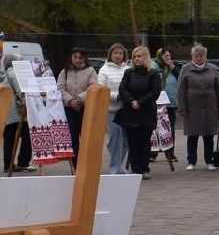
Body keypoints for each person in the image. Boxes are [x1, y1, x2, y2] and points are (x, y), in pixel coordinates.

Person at [115, 46, 163, 179]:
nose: (136, 59)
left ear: (146, 57)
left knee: (144, 142)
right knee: (133, 142)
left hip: (146, 112)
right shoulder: (128, 73)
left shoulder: (153, 74)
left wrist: (140, 102)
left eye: (139, 56)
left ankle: (144, 168)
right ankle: (135, 169)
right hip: (130, 112)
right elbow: (122, 89)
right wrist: (131, 101)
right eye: (134, 57)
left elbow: (155, 92)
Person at [176, 44, 219, 169]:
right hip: (192, 108)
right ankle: (191, 161)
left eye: (201, 56)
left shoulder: (212, 69)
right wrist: (182, 107)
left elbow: (218, 89)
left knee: (209, 136)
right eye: (196, 56)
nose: (199, 58)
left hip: (210, 107)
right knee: (192, 136)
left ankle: (209, 161)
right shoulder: (185, 69)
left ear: (205, 56)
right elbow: (181, 90)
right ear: (192, 56)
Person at [96, 44, 130, 174]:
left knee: (126, 140)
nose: (118, 56)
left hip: (126, 109)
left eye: (120, 53)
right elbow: (102, 89)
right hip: (111, 110)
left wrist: (128, 97)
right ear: (110, 54)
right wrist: (117, 96)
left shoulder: (128, 69)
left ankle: (120, 166)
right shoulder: (104, 70)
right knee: (114, 139)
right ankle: (114, 168)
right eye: (115, 53)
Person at [58, 50, 95, 161]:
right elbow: (59, 88)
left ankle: (86, 163)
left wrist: (79, 99)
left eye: (80, 57)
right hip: (69, 109)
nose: (78, 60)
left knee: (86, 138)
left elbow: (93, 87)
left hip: (85, 108)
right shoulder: (65, 71)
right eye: (75, 57)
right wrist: (70, 100)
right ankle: (76, 165)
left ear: (85, 58)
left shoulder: (90, 71)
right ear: (71, 57)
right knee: (72, 138)